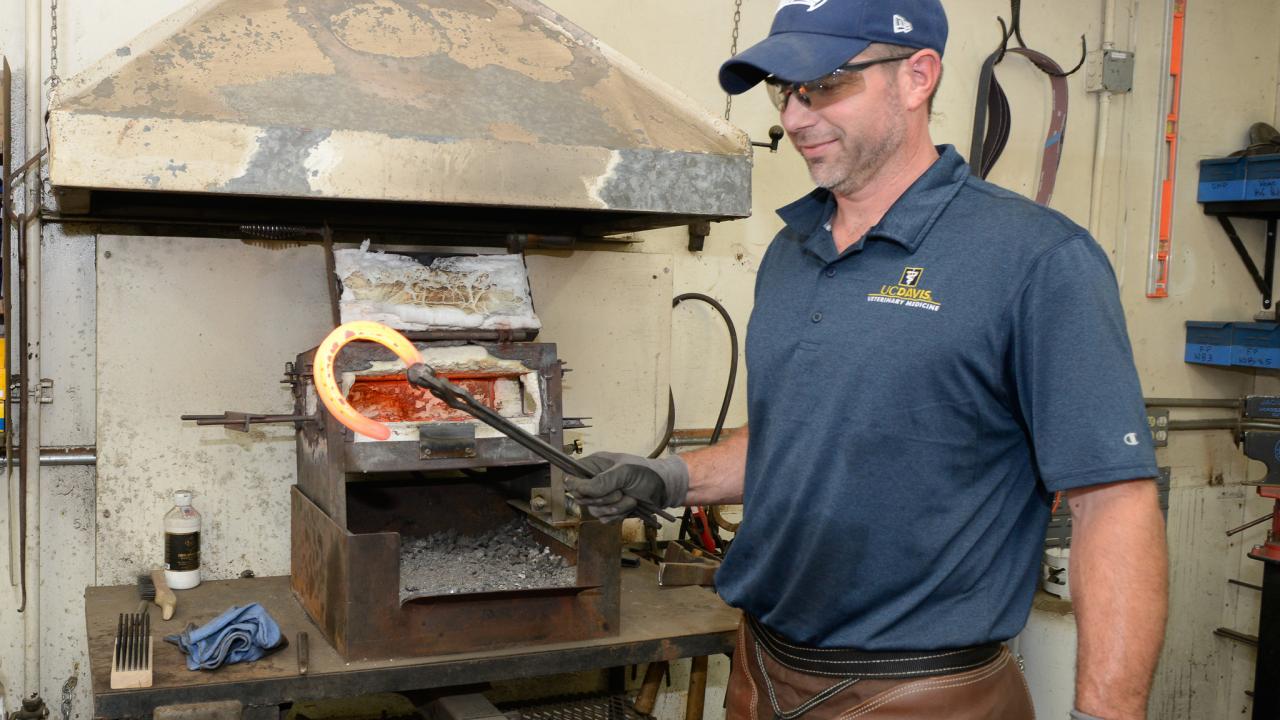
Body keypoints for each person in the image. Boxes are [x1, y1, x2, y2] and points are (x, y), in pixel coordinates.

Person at [565, 1, 1168, 718]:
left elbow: (1115, 506)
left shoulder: (1037, 260)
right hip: (760, 668)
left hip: (923, 694)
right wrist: (668, 477)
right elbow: (799, 438)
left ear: (917, 77)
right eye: (783, 92)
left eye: (823, 85)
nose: (794, 118)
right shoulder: (793, 252)